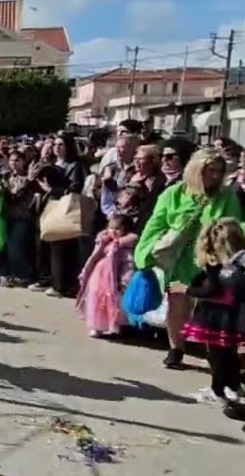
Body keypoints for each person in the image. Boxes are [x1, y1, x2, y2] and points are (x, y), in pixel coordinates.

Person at [135, 149, 243, 369]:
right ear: (196, 170)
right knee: (177, 304)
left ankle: (213, 353)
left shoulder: (226, 196)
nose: (215, 175)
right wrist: (143, 254)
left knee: (210, 309)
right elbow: (155, 225)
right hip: (178, 261)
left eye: (219, 171)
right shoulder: (173, 194)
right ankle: (176, 349)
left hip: (212, 263)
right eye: (210, 170)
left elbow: (236, 226)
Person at [179, 218, 245, 418]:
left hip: (215, 316)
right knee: (229, 354)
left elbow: (211, 290)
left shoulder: (215, 263)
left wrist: (187, 289)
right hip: (233, 315)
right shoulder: (239, 262)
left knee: (216, 356)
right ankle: (234, 386)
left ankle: (217, 390)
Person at [77, 213, 138, 338]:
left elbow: (129, 265)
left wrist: (126, 280)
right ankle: (96, 326)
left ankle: (114, 325)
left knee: (113, 303)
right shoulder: (103, 242)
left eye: (118, 229)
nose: (113, 231)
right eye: (111, 228)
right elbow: (93, 258)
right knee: (95, 300)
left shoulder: (124, 247)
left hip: (112, 280)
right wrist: (85, 272)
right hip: (97, 277)